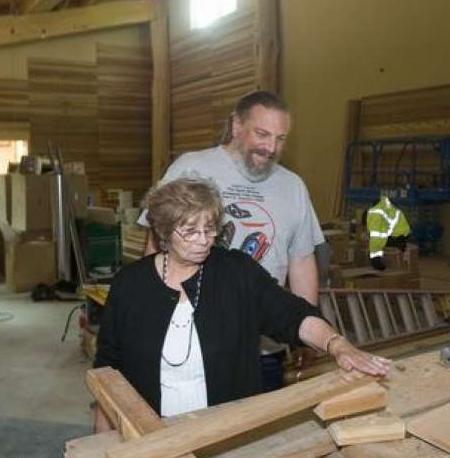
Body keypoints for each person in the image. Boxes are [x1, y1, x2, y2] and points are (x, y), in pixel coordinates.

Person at [94, 177, 390, 432]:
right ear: (162, 232)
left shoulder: (236, 272)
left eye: (209, 229)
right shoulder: (130, 284)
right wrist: (102, 437)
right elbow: (107, 366)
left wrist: (337, 344)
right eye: (190, 231)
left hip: (227, 435)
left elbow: (292, 314)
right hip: (151, 433)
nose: (203, 241)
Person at [139, 91, 326, 375]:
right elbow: (155, 243)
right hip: (193, 344)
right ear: (237, 125)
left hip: (264, 349)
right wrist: (152, 317)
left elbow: (301, 262)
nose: (271, 147)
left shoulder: (293, 186)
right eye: (262, 134)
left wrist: (306, 332)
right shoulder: (192, 168)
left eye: (280, 138)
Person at [366, 193, 411, 270]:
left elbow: (376, 236)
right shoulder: (393, 210)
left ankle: (381, 267)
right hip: (403, 237)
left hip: (395, 239)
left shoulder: (376, 214)